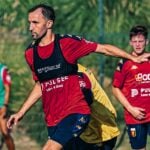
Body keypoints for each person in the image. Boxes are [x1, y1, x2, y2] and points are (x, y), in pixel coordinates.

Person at [7, 4, 150, 150]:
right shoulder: (30, 53)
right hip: (53, 119)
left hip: (75, 112)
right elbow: (40, 85)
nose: (30, 27)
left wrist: (133, 59)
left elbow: (103, 48)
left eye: (35, 22)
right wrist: (20, 112)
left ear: (49, 23)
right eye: (29, 23)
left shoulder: (66, 44)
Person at [64, 64, 120, 150]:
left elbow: (86, 101)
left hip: (98, 131)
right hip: (94, 130)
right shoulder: (66, 70)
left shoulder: (77, 73)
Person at [112, 25, 150, 150]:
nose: (138, 45)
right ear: (130, 43)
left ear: (146, 41)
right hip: (135, 117)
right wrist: (130, 108)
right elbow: (115, 88)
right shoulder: (125, 62)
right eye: (135, 41)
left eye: (141, 41)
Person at [0, 63, 15, 150]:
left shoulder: (2, 70)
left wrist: (5, 105)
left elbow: (7, 89)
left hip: (1, 106)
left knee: (5, 133)